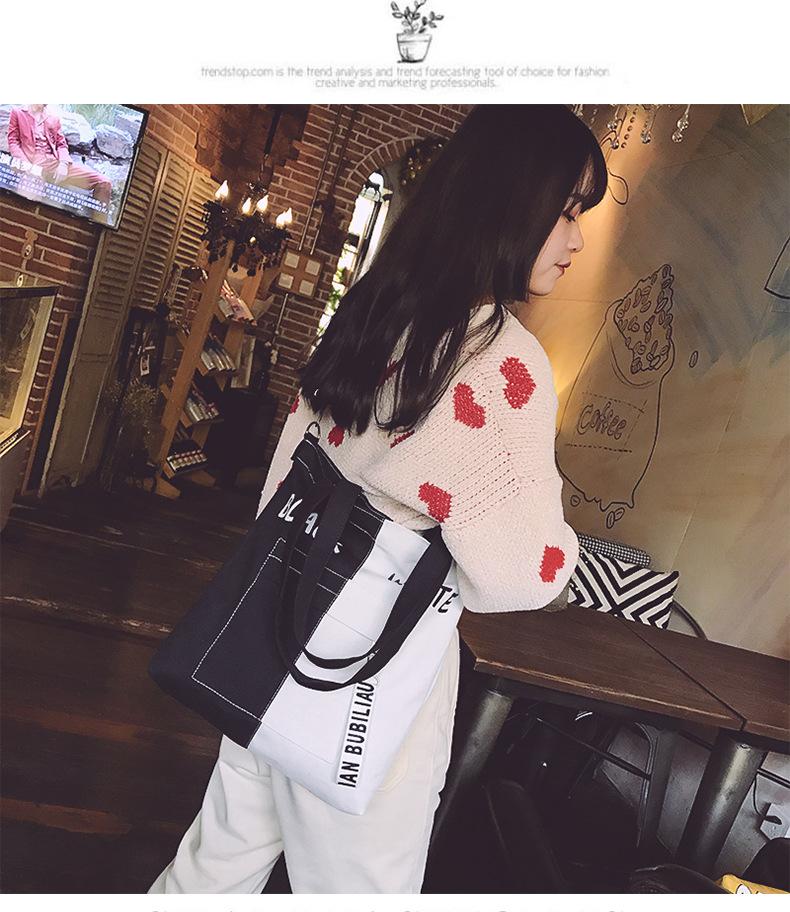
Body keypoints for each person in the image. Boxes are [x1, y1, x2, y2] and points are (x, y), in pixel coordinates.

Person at [148, 104, 608, 894]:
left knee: (214, 865)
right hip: (376, 660)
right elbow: (518, 575)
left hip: (278, 615)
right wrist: (557, 543)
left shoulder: (376, 308)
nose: (576, 240)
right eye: (566, 210)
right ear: (510, 201)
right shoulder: (502, 359)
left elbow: (286, 475)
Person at [6, 105, 113, 216]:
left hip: (55, 164)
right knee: (27, 202)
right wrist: (27, 166)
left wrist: (63, 164)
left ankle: (99, 222)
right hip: (32, 165)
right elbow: (13, 142)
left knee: (104, 182)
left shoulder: (53, 117)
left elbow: (61, 144)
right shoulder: (18, 112)